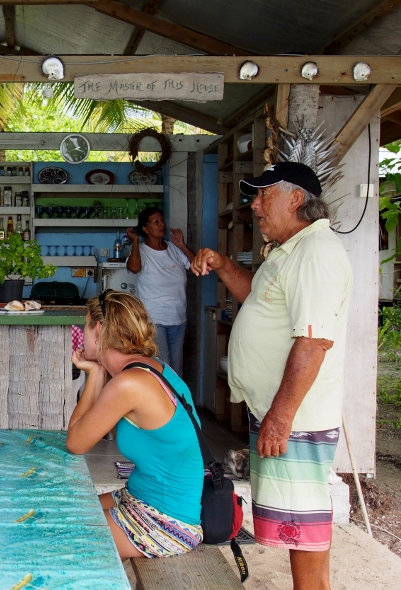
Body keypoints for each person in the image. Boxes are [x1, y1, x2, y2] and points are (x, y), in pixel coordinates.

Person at [191, 162, 352, 590]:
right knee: (297, 527)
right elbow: (258, 298)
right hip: (282, 414)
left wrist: (281, 418)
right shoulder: (290, 250)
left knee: (306, 533)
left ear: (296, 199)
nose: (254, 206)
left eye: (264, 196)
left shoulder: (316, 253)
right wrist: (224, 265)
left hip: (297, 420)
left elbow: (314, 341)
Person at [67, 290, 204, 560]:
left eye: (85, 324)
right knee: (67, 509)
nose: (82, 333)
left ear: (99, 328)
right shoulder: (152, 367)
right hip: (138, 497)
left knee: (60, 536)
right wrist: (97, 371)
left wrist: (94, 372)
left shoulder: (129, 383)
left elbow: (75, 442)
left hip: (166, 522)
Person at [125, 207, 195, 376]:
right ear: (145, 228)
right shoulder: (141, 251)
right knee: (163, 367)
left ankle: (176, 402)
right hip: (154, 319)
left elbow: (196, 266)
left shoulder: (174, 249)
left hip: (178, 318)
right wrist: (134, 242)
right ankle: (164, 402)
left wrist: (182, 245)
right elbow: (134, 268)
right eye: (156, 222)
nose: (162, 224)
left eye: (162, 220)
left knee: (176, 368)